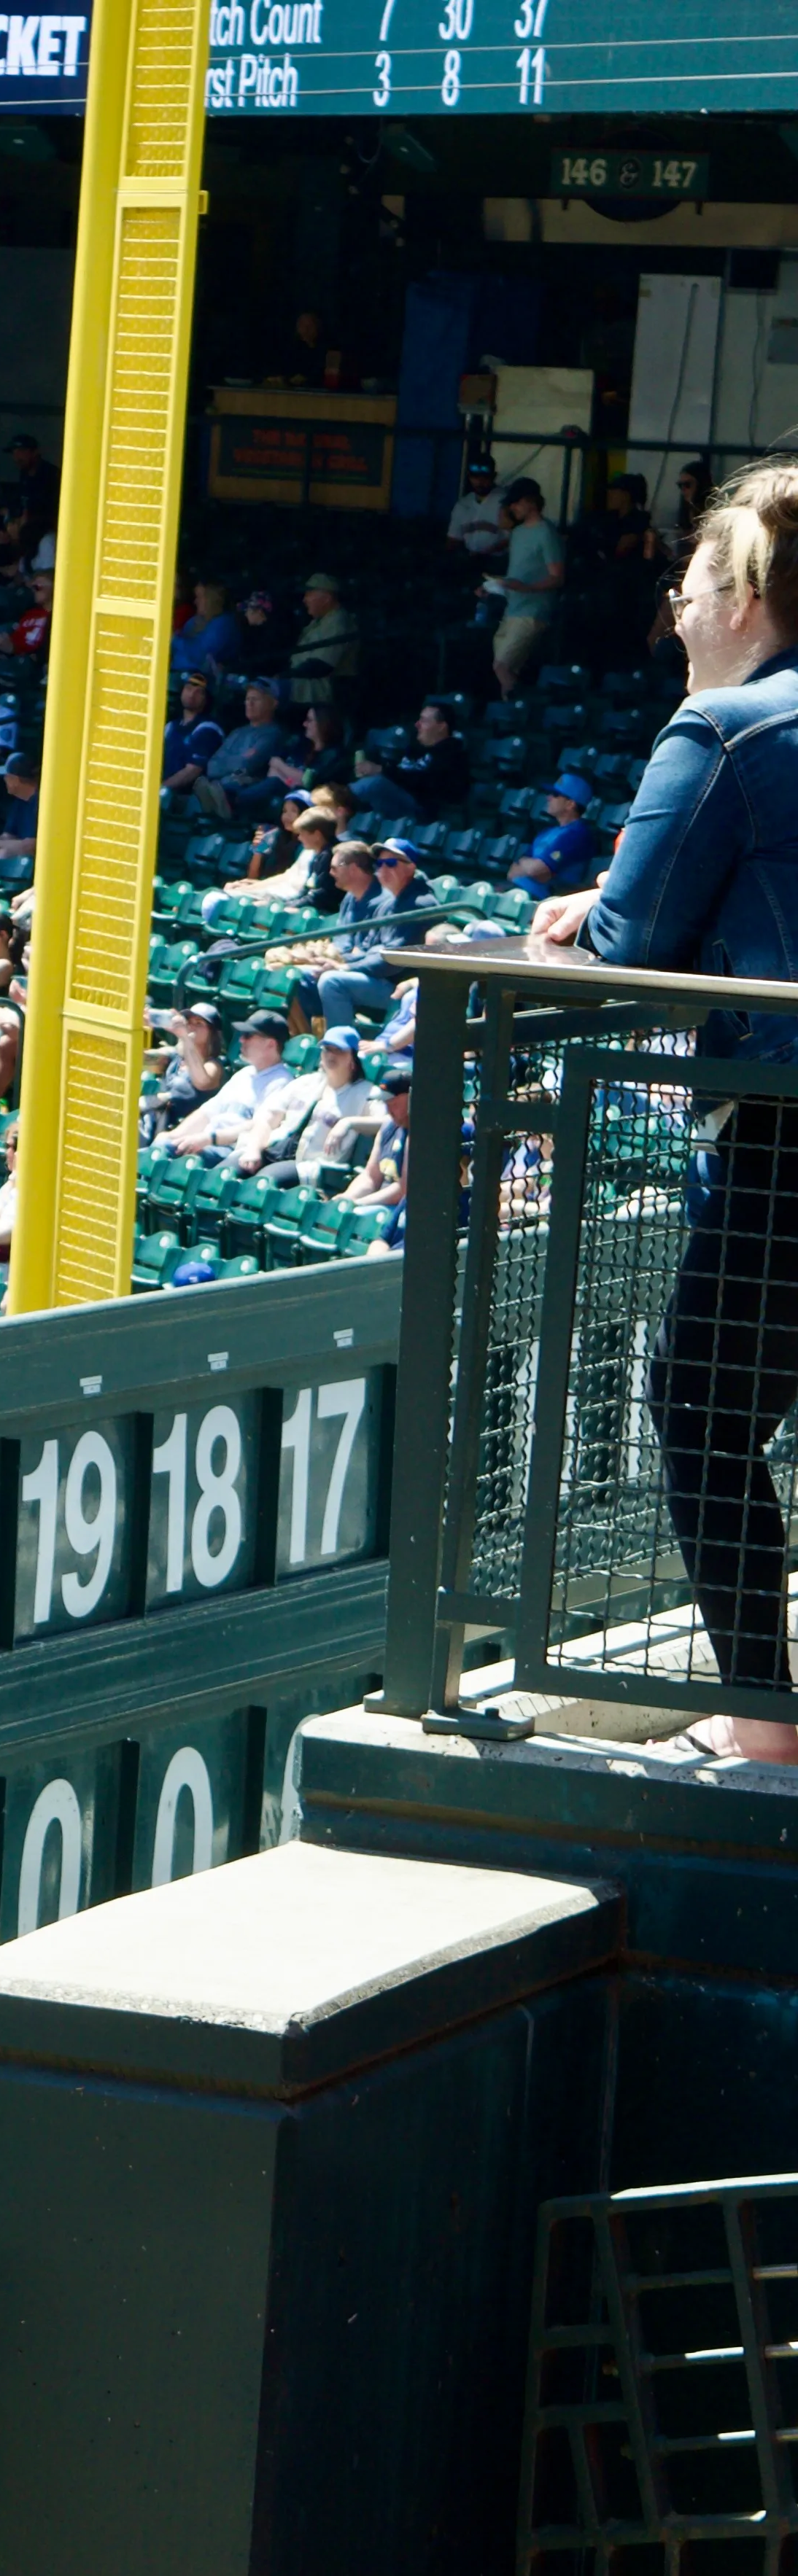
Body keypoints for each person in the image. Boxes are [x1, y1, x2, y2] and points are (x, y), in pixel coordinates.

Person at [538, 454, 798, 1760]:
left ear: (748, 593)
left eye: (693, 584)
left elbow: (622, 959)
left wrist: (564, 936)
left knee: (701, 1401)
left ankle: (767, 1728)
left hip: (785, 1141)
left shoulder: (726, 730)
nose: (678, 609)